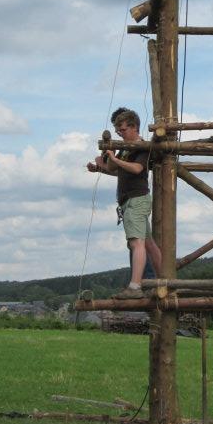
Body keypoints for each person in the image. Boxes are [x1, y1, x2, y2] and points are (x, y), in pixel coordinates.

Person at [86, 107, 162, 295]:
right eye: (118, 131)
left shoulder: (141, 146)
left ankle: (135, 286)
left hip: (137, 199)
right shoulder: (126, 149)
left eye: (123, 130)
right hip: (131, 201)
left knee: (136, 243)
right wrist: (102, 165)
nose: (120, 134)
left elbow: (136, 169)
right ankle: (163, 281)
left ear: (134, 127)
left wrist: (113, 159)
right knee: (149, 244)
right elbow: (115, 168)